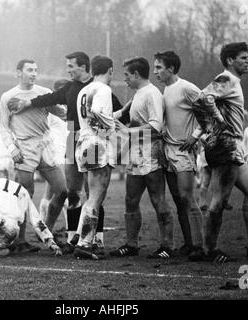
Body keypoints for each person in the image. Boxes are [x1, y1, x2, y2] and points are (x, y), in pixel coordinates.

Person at [6, 52, 127, 252]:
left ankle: (96, 238)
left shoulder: (98, 90)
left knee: (93, 193)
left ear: (84, 66)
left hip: (90, 139)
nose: (68, 70)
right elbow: (50, 98)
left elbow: (120, 113)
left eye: (71, 66)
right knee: (73, 192)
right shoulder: (72, 89)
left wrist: (119, 132)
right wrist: (27, 103)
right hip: (74, 139)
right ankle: (74, 238)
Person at [189, 42, 248, 262]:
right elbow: (201, 99)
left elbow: (204, 104)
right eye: (243, 57)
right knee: (219, 201)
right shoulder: (226, 79)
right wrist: (214, 124)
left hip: (232, 146)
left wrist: (208, 126)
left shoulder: (234, 82)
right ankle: (208, 250)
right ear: (230, 60)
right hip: (225, 146)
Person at [0, 58, 68, 249]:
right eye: (30, 70)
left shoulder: (44, 93)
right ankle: (20, 240)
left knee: (62, 190)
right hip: (24, 147)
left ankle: (47, 231)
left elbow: (61, 113)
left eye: (36, 70)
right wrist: (12, 149)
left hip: (45, 145)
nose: (34, 73)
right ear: (18, 72)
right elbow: (3, 128)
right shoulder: (8, 97)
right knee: (25, 194)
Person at [110, 57, 174, 259]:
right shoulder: (138, 94)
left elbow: (156, 127)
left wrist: (128, 132)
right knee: (131, 200)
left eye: (127, 75)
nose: (125, 79)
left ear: (136, 74)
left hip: (151, 156)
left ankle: (167, 246)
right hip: (135, 155)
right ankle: (131, 244)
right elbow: (121, 114)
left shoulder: (153, 94)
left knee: (158, 200)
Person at [152, 51, 205, 258]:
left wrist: (195, 135)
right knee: (178, 200)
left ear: (171, 69)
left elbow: (209, 112)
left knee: (187, 197)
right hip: (168, 151)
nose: (155, 71)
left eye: (158, 67)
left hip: (183, 152)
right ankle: (189, 243)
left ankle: (200, 246)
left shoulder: (187, 88)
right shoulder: (165, 91)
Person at [72, 55, 116, 260]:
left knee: (91, 196)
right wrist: (112, 126)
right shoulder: (104, 89)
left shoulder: (84, 89)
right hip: (97, 142)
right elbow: (98, 111)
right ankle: (85, 243)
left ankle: (80, 237)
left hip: (84, 141)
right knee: (96, 197)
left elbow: (92, 114)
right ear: (110, 70)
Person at [39, 79, 70, 233]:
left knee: (51, 191)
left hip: (65, 151)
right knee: (62, 191)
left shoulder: (66, 108)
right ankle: (44, 226)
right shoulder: (51, 109)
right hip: (54, 152)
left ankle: (43, 226)